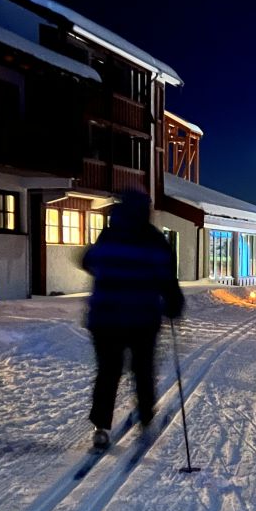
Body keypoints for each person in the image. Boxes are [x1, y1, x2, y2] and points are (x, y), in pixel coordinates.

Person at [81, 191, 184, 450]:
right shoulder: (153, 240)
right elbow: (167, 277)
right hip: (141, 316)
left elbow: (88, 261)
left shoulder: (108, 235)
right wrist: (173, 301)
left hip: (104, 317)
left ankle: (101, 427)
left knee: (108, 371)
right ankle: (147, 419)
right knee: (142, 368)